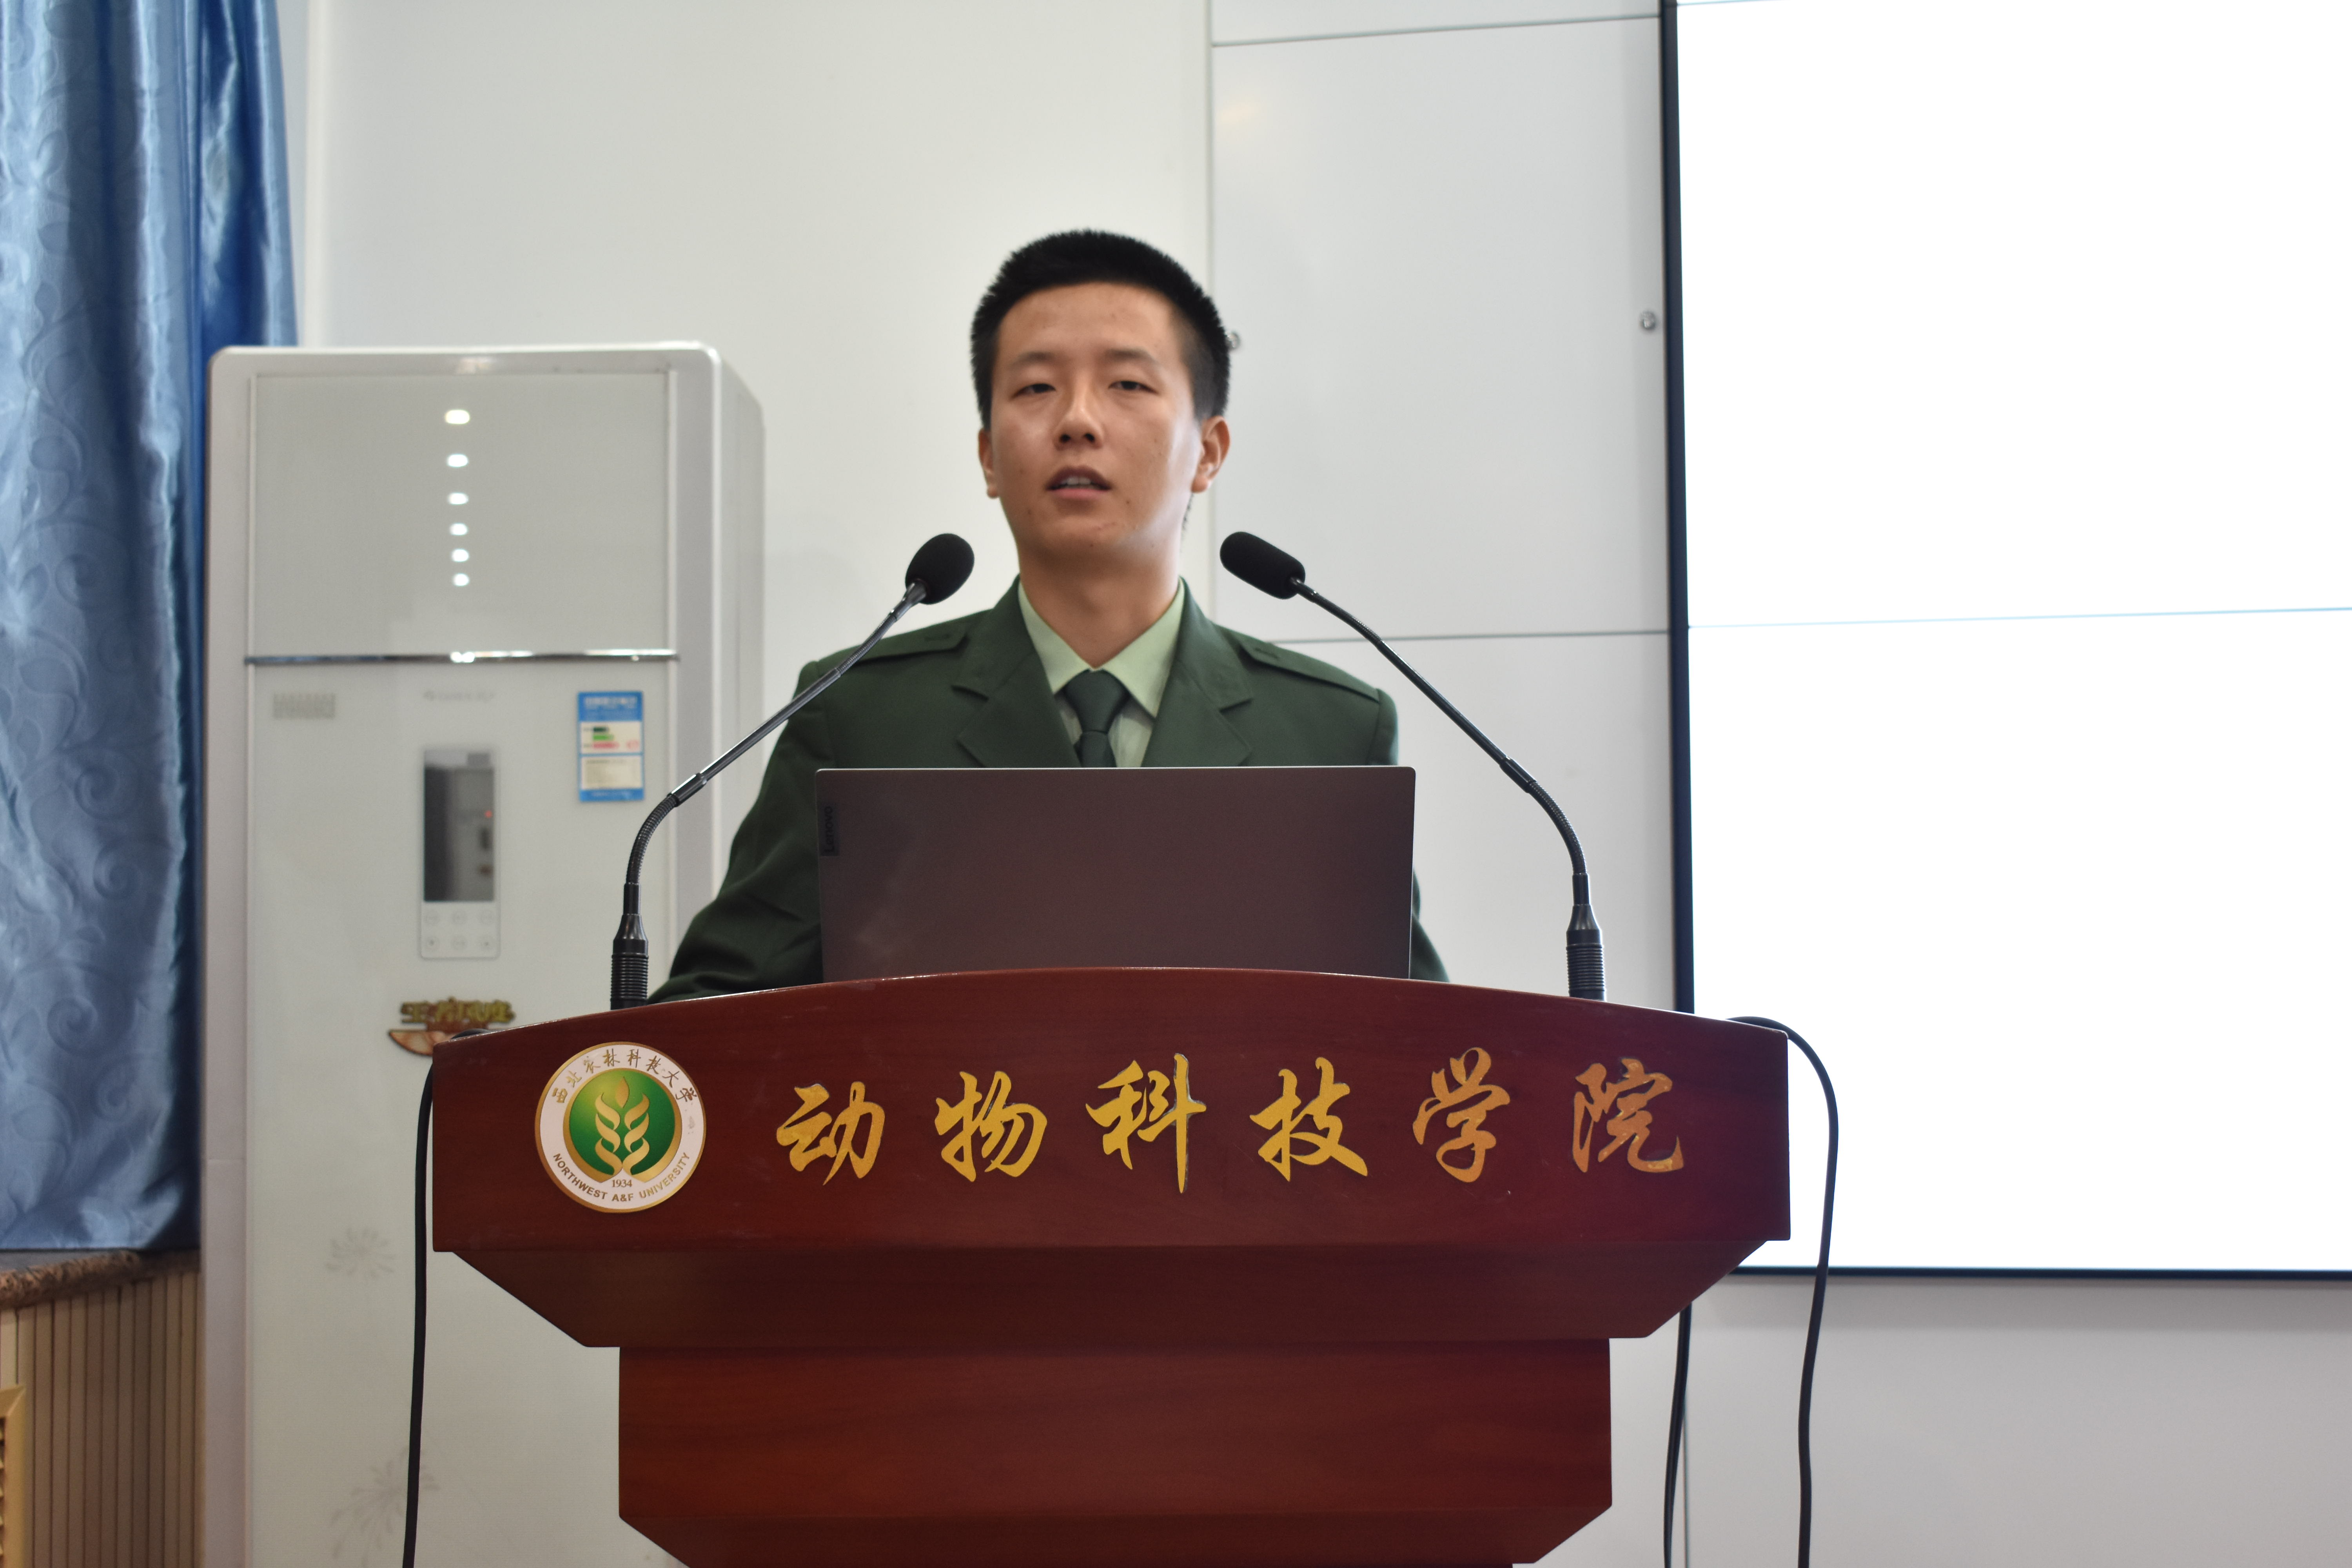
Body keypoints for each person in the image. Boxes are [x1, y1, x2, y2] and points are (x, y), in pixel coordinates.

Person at [653, 230, 1443, 999]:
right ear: (989, 456)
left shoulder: (1332, 733)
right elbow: (709, 1012)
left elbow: (1426, 1042)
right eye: (1036, 388)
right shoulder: (858, 716)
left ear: (1208, 452)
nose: (1078, 421)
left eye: (1128, 384)